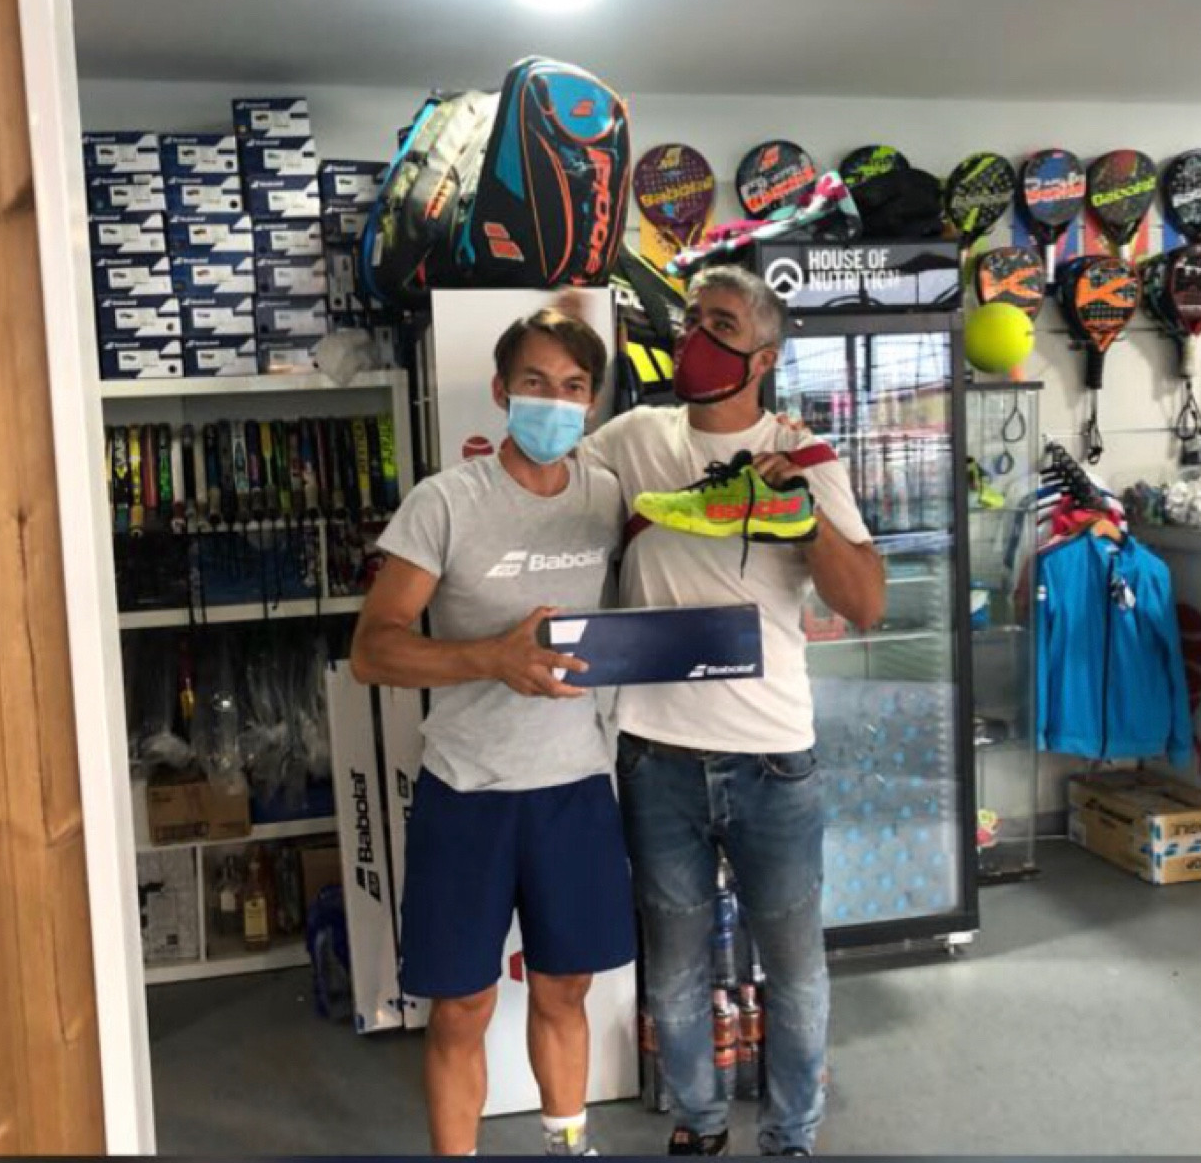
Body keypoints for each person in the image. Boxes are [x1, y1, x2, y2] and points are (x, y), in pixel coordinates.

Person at [577, 265, 885, 1157]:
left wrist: (801, 521)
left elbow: (867, 603)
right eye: (692, 321)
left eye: (721, 325)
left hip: (772, 755)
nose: (697, 339)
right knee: (673, 971)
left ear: (765, 357)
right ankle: (699, 1124)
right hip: (656, 750)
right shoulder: (632, 439)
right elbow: (555, 508)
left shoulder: (806, 455)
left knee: (795, 971)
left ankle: (790, 1138)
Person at [349, 307, 635, 1158]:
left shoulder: (606, 497)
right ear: (502, 391)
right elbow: (372, 651)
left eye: (573, 387)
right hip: (469, 792)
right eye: (536, 382)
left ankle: (567, 1143)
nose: (556, 400)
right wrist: (490, 659)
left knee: (566, 989)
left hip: (576, 786)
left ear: (592, 401)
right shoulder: (446, 502)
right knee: (463, 1005)